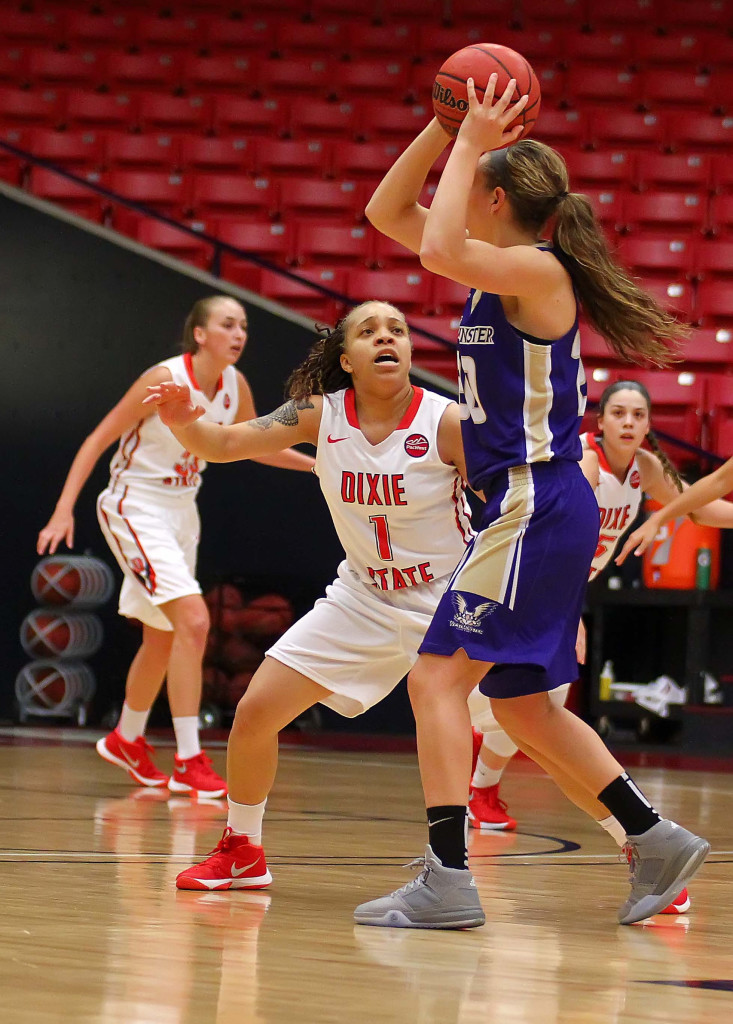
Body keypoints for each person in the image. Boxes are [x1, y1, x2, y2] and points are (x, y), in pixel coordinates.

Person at [353, 73, 709, 929]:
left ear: (497, 196)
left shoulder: (533, 271)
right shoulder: (496, 269)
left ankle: (446, 876)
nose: (451, 193)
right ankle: (653, 838)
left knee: (436, 679)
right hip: (533, 507)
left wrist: (473, 137)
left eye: (468, 182)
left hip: (532, 501)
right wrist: (445, 132)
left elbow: (434, 246)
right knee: (519, 706)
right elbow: (382, 213)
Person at [142, 299, 484, 889]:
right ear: (346, 359)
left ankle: (640, 837)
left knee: (533, 723)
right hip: (364, 596)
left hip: (450, 596)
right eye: (370, 331)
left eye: (398, 330)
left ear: (409, 351)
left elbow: (513, 510)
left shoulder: (447, 422)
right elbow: (222, 444)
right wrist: (182, 421)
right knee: (254, 713)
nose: (387, 338)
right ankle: (243, 848)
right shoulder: (317, 416)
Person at [468, 378, 733, 914]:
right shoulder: (583, 463)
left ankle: (640, 841)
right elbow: (562, 539)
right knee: (517, 715)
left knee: (531, 718)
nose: (630, 422)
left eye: (639, 414)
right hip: (531, 590)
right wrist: (572, 611)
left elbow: (700, 508)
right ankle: (480, 795)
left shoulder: (647, 470)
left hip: (549, 600)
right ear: (601, 421)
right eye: (619, 412)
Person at [37, 295, 313, 798]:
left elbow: (255, 444)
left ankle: (127, 738)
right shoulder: (161, 378)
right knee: (194, 620)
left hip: (182, 512)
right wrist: (64, 507)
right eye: (227, 325)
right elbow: (99, 438)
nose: (239, 334)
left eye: (244, 326)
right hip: (134, 505)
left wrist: (319, 465)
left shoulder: (236, 386)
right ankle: (189, 757)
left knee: (162, 637)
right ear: (201, 334)